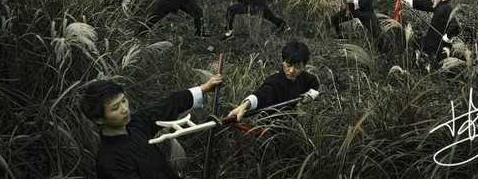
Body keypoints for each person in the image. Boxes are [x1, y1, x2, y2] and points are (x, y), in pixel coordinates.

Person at [80, 74, 222, 179]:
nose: (125, 109)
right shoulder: (110, 162)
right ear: (99, 119)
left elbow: (166, 106)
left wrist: (203, 88)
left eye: (124, 100)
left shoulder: (135, 124)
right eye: (115, 107)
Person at [228, 41, 320, 121]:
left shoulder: (304, 77)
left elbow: (314, 83)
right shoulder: (275, 81)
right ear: (283, 62)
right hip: (270, 126)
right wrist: (245, 105)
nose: (292, 70)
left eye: (297, 67)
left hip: (291, 123)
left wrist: (311, 94)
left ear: (304, 66)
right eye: (288, 65)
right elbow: (262, 95)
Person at [401, 0, 460, 64]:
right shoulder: (441, 4)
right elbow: (424, 4)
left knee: (431, 61)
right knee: (418, 47)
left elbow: (456, 26)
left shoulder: (449, 7)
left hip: (437, 43)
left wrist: (445, 38)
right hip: (431, 39)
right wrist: (406, 1)